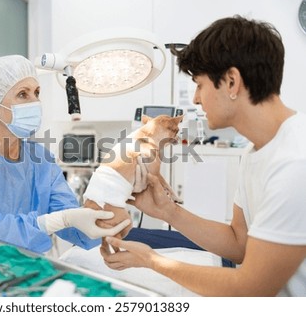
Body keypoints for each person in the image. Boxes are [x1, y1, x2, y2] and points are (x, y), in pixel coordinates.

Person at [101, 15, 306, 296]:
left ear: (231, 82)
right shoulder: (254, 153)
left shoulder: (296, 162)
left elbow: (250, 288)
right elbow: (238, 244)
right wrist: (167, 211)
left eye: (199, 84)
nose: (196, 99)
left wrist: (151, 261)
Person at [0, 55, 130, 254]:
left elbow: (69, 216)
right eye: (22, 94)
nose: (35, 102)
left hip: (29, 266)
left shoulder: (40, 158)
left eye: (36, 93)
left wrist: (105, 221)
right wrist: (51, 222)